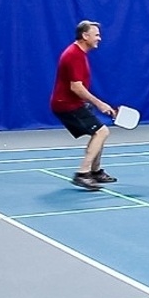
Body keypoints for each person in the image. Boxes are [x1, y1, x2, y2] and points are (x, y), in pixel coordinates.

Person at [50, 20, 117, 190]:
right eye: (96, 35)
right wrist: (99, 103)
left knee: (99, 131)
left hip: (72, 102)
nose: (99, 38)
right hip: (65, 104)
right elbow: (76, 87)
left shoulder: (79, 53)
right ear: (85, 36)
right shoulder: (74, 55)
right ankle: (83, 173)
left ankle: (95, 172)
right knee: (102, 131)